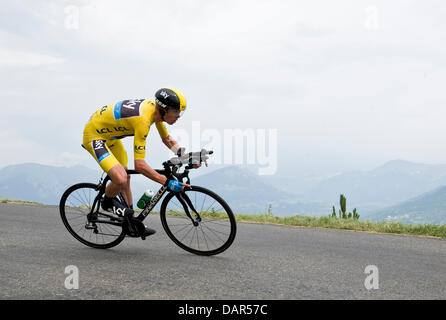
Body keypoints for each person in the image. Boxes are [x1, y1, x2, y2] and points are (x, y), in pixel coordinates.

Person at [82, 88, 195, 237]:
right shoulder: (143, 120)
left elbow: (167, 139)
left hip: (110, 137)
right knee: (120, 178)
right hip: (95, 137)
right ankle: (107, 202)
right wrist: (167, 182)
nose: (178, 116)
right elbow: (140, 165)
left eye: (181, 112)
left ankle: (130, 222)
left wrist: (187, 158)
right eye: (176, 111)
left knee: (126, 177)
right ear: (165, 109)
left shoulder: (155, 112)